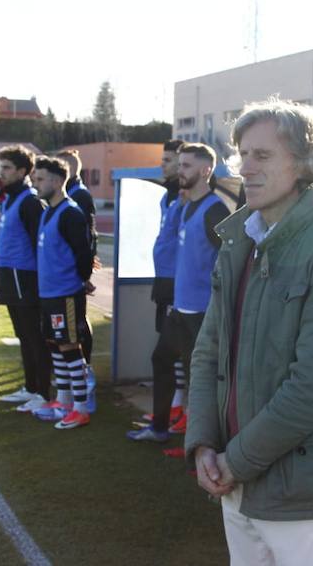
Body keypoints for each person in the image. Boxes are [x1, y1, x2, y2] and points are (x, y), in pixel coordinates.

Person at [185, 99, 313, 565]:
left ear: (305, 163)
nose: (245, 167)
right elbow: (209, 352)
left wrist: (234, 462)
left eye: (262, 155)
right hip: (236, 485)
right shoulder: (239, 242)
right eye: (242, 154)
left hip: (300, 498)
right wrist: (204, 443)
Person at [129, 143, 229, 443]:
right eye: (180, 164)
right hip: (180, 307)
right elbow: (171, 247)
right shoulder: (186, 205)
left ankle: (201, 444)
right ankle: (159, 427)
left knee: (200, 379)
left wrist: (218, 305)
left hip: (201, 312)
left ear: (205, 170)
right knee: (161, 360)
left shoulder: (216, 210)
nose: (179, 170)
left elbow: (230, 261)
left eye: (186, 166)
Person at [32, 156, 95, 429]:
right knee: (55, 345)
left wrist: (78, 281)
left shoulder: (71, 212)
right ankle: (64, 400)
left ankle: (81, 408)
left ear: (57, 181)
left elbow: (84, 254)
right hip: (48, 293)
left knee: (70, 347)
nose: (36, 184)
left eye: (41, 179)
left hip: (65, 293)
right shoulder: (48, 211)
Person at [0, 145, 54, 414]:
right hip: (9, 274)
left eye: (7, 168)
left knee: (34, 336)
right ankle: (30, 388)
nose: (2, 172)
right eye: (2, 167)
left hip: (25, 276)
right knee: (23, 335)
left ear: (22, 171)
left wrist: (42, 282)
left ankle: (43, 392)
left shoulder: (30, 201)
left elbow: (39, 244)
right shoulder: (10, 198)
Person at [142, 139, 185, 430]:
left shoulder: (188, 199)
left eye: (169, 160)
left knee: (174, 350)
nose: (163, 164)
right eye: (164, 159)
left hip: (178, 282)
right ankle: (174, 407)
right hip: (164, 278)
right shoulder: (167, 196)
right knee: (169, 348)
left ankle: (179, 408)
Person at [57, 149, 99, 409]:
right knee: (69, 326)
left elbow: (88, 235)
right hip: (63, 273)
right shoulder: (67, 194)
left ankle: (85, 373)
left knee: (78, 324)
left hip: (73, 274)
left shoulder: (79, 195)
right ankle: (71, 377)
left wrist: (85, 273)